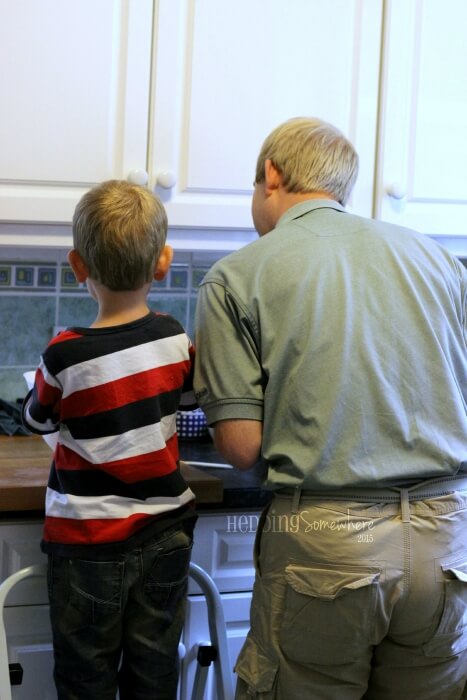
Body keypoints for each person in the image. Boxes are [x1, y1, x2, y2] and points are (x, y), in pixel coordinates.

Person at [193, 117, 467, 700]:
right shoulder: (440, 261)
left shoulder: (237, 276)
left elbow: (242, 447)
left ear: (271, 175)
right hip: (448, 543)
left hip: (327, 547)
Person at [22, 180, 197, 700]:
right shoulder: (174, 339)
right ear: (162, 262)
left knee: (85, 679)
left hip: (87, 546)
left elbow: (36, 419)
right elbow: (184, 403)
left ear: (79, 267)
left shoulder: (64, 354)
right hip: (165, 537)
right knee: (154, 673)